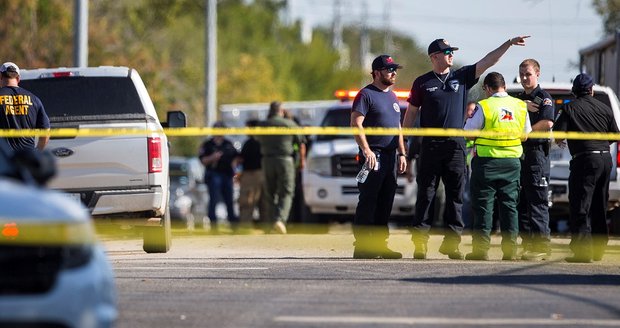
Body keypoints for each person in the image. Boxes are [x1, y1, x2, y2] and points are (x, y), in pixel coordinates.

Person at [403, 36, 529, 260]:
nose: (451, 54)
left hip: (455, 148)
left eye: (452, 51)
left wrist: (507, 43)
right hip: (430, 147)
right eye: (447, 52)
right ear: (434, 57)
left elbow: (488, 61)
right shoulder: (422, 82)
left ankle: (452, 243)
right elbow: (412, 112)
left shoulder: (461, 77)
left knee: (455, 196)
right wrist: (404, 139)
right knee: (426, 195)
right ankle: (420, 243)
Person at [463, 72, 531, 260]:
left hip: (487, 163)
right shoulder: (519, 106)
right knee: (510, 207)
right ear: (505, 87)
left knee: (484, 206)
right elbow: (525, 135)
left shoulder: (484, 106)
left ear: (487, 88)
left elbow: (468, 133)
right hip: (512, 163)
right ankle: (510, 252)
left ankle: (481, 251)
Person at [554, 73, 619, 263]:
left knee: (581, 204)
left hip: (584, 161)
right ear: (591, 90)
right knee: (600, 204)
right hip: (605, 160)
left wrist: (562, 140)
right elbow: (615, 136)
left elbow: (558, 134)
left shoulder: (569, 107)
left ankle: (582, 252)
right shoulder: (605, 108)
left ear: (574, 91)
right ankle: (598, 250)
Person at [350, 54, 407, 259]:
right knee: (369, 200)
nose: (393, 73)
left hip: (391, 156)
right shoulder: (366, 95)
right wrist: (366, 151)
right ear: (376, 72)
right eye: (389, 69)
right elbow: (356, 124)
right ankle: (363, 246)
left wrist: (402, 152)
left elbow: (398, 127)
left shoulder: (392, 96)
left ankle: (380, 245)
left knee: (386, 201)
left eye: (394, 69)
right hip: (374, 156)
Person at [515, 59, 555, 260]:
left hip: (537, 155)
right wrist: (522, 105)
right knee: (522, 202)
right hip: (520, 155)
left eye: (528, 74)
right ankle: (528, 244)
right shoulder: (520, 98)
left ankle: (541, 246)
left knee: (538, 201)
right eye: (521, 74)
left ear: (537, 74)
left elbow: (547, 122)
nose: (524, 78)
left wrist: (527, 134)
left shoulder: (543, 98)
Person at [257, 101, 305, 234]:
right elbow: (301, 143)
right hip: (285, 161)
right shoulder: (289, 124)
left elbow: (257, 139)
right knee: (286, 192)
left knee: (269, 193)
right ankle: (280, 220)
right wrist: (302, 161)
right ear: (281, 111)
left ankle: (271, 223)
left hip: (267, 160)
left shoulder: (262, 125)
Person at [198, 121, 240, 233]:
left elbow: (237, 158)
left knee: (229, 201)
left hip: (227, 175)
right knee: (214, 201)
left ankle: (233, 225)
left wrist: (235, 166)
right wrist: (213, 158)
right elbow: (202, 160)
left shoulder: (228, 144)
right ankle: (214, 227)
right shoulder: (208, 145)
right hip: (213, 175)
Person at [0, 62, 50, 151]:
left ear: (0, 77)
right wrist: (37, 152)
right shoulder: (34, 99)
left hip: (4, 160)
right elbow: (45, 132)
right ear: (18, 78)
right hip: (27, 159)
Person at [237, 119, 265, 231]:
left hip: (251, 175)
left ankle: (245, 226)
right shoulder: (264, 141)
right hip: (262, 174)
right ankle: (266, 227)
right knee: (264, 202)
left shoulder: (250, 143)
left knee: (247, 201)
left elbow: (241, 159)